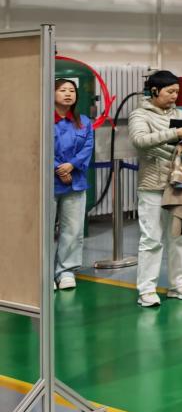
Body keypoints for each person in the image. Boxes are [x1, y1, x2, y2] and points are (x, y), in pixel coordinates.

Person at [128, 69, 182, 307]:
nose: (175, 96)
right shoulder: (139, 114)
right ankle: (146, 290)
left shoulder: (181, 114)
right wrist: (174, 133)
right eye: (170, 91)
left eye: (177, 92)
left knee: (179, 236)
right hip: (152, 185)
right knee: (152, 238)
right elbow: (139, 141)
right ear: (155, 91)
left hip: (178, 184)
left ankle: (179, 285)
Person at [52, 78, 95, 291]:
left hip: (75, 182)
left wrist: (71, 166)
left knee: (73, 229)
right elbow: (36, 146)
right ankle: (42, 273)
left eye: (72, 90)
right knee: (43, 230)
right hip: (47, 183)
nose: (68, 94)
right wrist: (57, 168)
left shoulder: (84, 121)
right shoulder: (42, 119)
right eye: (62, 90)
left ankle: (66, 271)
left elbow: (87, 147)